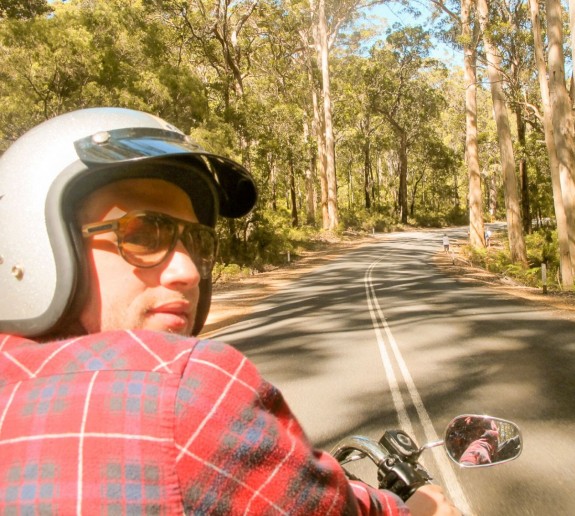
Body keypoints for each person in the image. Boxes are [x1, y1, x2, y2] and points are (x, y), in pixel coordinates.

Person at [0, 108, 458, 514]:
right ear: (37, 248)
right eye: (140, 234)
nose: (188, 271)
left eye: (196, 241)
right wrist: (420, 506)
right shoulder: (182, 393)